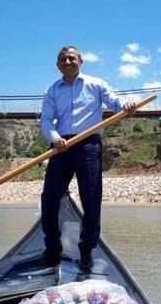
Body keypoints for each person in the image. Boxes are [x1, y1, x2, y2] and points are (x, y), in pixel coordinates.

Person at [40, 46, 136, 269]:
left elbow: (115, 102)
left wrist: (126, 105)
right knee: (49, 199)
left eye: (71, 58)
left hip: (89, 146)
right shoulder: (52, 91)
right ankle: (52, 249)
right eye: (63, 59)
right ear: (58, 65)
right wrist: (55, 138)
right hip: (61, 146)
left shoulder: (96, 84)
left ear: (80, 61)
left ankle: (86, 251)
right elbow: (46, 120)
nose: (67, 61)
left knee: (91, 199)